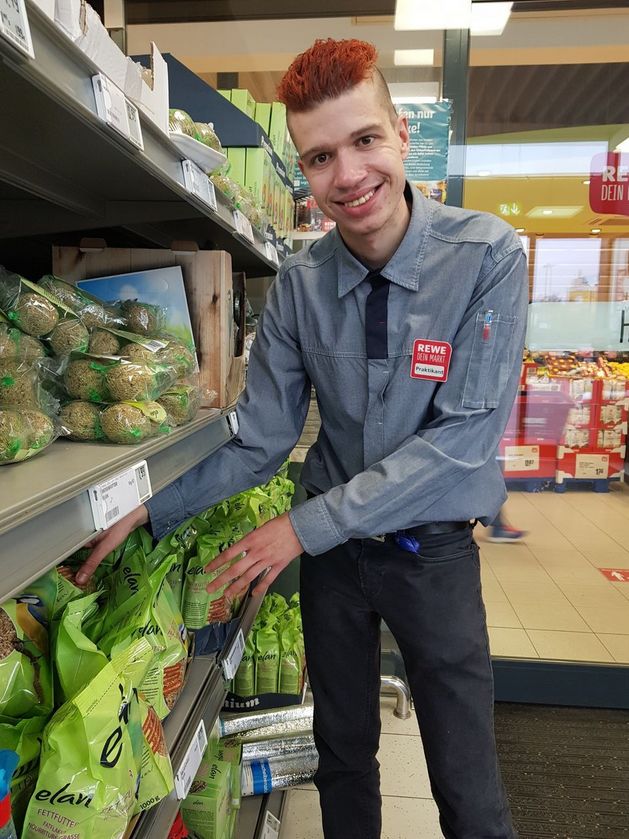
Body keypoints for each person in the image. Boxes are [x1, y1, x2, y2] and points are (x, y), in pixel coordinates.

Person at [76, 38, 528, 839]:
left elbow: (459, 442)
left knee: (464, 773)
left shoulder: (486, 255)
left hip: (432, 553)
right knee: (342, 753)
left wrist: (300, 526)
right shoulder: (299, 287)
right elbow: (261, 438)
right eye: (319, 158)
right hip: (333, 564)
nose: (347, 176)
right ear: (303, 168)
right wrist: (148, 508)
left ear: (399, 132)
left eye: (364, 141)